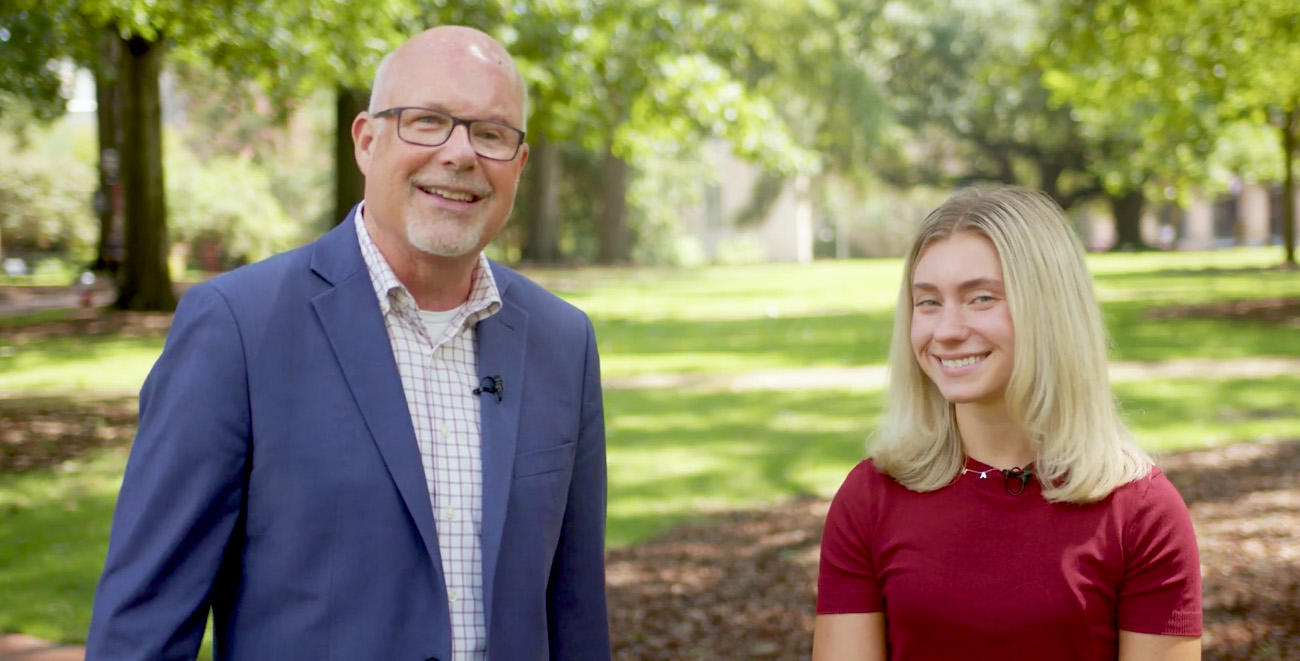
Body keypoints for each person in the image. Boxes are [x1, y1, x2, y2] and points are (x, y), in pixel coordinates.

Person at [87, 26, 610, 661]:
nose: (460, 154)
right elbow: (141, 630)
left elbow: (576, 613)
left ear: (519, 164)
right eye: (427, 121)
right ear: (366, 140)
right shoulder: (237, 328)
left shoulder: (564, 342)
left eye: (491, 133)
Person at [813, 186, 1201, 660]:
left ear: (1050, 310)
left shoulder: (1142, 514)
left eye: (980, 298)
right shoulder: (869, 501)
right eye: (928, 302)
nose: (948, 331)